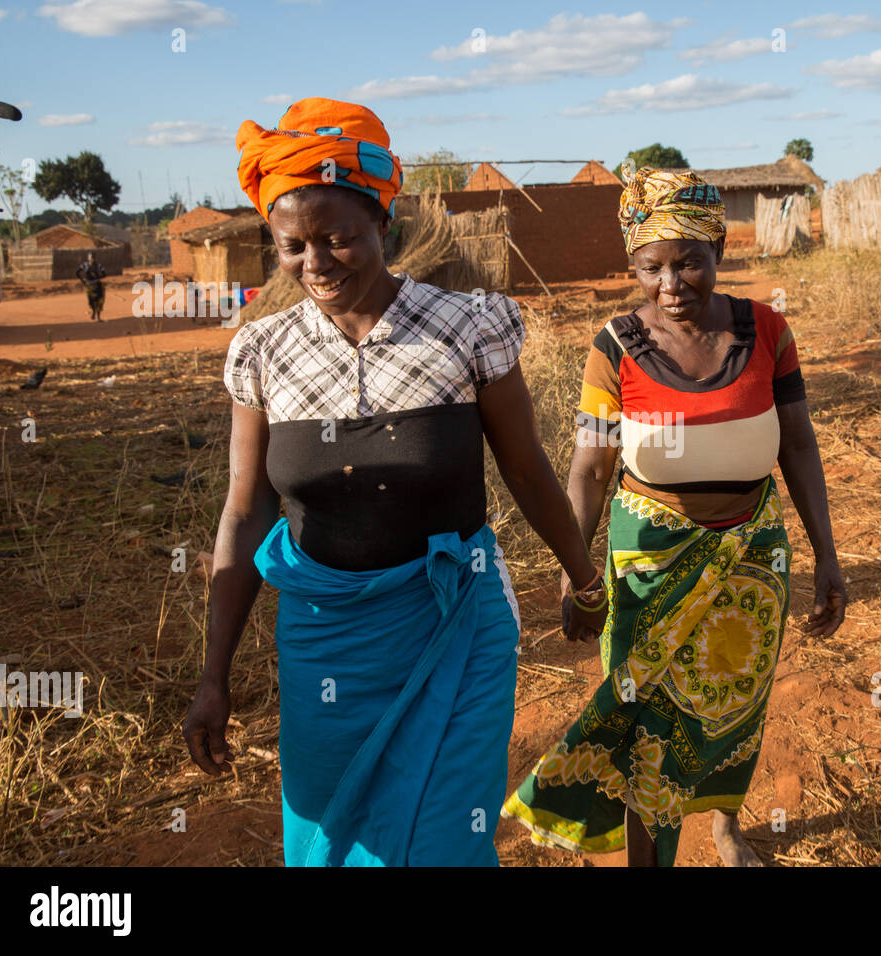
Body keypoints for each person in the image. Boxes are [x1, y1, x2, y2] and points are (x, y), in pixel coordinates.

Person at [180, 97, 607, 866]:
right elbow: (245, 513)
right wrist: (213, 676)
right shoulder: (262, 352)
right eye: (291, 247)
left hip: (455, 622)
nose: (315, 264)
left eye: (337, 239)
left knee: (444, 835)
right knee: (336, 839)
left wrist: (585, 581)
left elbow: (525, 468)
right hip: (326, 637)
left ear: (385, 225)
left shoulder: (468, 325)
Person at [502, 167, 847, 867]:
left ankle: (724, 824)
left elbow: (801, 448)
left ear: (718, 251)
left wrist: (828, 557)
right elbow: (590, 467)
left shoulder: (767, 331)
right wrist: (579, 571)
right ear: (633, 265)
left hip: (751, 554)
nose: (672, 283)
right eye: (651, 267)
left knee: (732, 702)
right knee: (642, 718)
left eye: (689, 261)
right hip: (648, 560)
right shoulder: (614, 345)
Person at [75, 251, 106, 322]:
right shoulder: (85, 265)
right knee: (91, 301)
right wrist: (82, 280)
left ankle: (98, 317)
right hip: (89, 286)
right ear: (88, 258)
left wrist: (98, 277)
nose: (92, 258)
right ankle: (93, 311)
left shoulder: (98, 265)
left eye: (93, 257)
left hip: (98, 285)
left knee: (99, 301)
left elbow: (105, 274)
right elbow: (77, 272)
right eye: (91, 257)